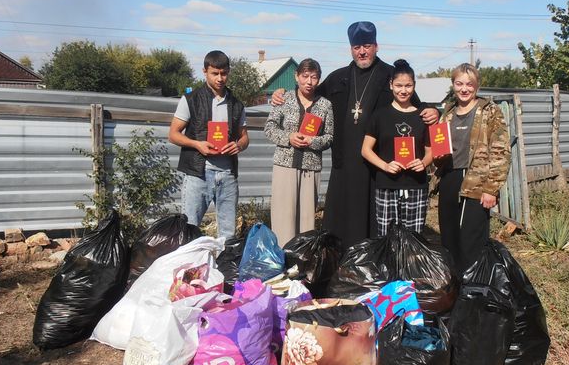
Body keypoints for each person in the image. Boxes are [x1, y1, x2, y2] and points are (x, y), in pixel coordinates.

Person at [272, 21, 438, 248]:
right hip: (345, 163)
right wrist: (280, 93)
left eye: (367, 45)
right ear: (351, 49)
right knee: (342, 220)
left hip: (378, 165)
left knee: (375, 223)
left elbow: (415, 105)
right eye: (357, 47)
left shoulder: (391, 75)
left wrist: (433, 111)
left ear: (376, 46)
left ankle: (372, 259)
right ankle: (340, 259)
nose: (362, 51)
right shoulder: (338, 77)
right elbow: (309, 95)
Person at [432, 63, 511, 279]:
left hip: (476, 182)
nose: (464, 88)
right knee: (449, 238)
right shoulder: (447, 112)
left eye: (469, 84)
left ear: (476, 86)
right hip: (450, 177)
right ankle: (455, 286)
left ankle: (475, 289)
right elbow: (441, 147)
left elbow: (500, 151)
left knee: (471, 240)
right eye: (459, 83)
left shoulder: (489, 111)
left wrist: (491, 188)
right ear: (453, 85)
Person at [168, 50, 249, 241]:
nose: (220, 78)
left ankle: (223, 269)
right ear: (205, 71)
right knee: (189, 230)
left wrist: (238, 146)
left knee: (228, 234)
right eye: (215, 73)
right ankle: (190, 269)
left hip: (227, 175)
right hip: (198, 173)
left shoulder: (237, 104)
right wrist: (197, 144)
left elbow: (244, 137)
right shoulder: (191, 100)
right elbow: (173, 134)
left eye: (224, 73)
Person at [264, 58, 334, 246]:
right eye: (305, 76)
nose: (309, 82)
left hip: (311, 167)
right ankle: (282, 258)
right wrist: (289, 138)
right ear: (296, 76)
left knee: (306, 219)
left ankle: (303, 261)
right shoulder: (283, 99)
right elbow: (269, 128)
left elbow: (329, 137)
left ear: (319, 79)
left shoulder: (325, 105)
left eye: (314, 77)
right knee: (283, 216)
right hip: (285, 165)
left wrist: (313, 141)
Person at [361, 59, 433, 236]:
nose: (403, 90)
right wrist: (385, 166)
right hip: (387, 184)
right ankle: (390, 265)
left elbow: (431, 151)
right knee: (387, 237)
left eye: (408, 86)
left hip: (416, 185)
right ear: (391, 85)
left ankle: (409, 265)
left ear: (414, 86)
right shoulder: (380, 115)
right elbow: (365, 150)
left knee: (414, 237)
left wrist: (423, 163)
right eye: (399, 85)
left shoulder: (422, 117)